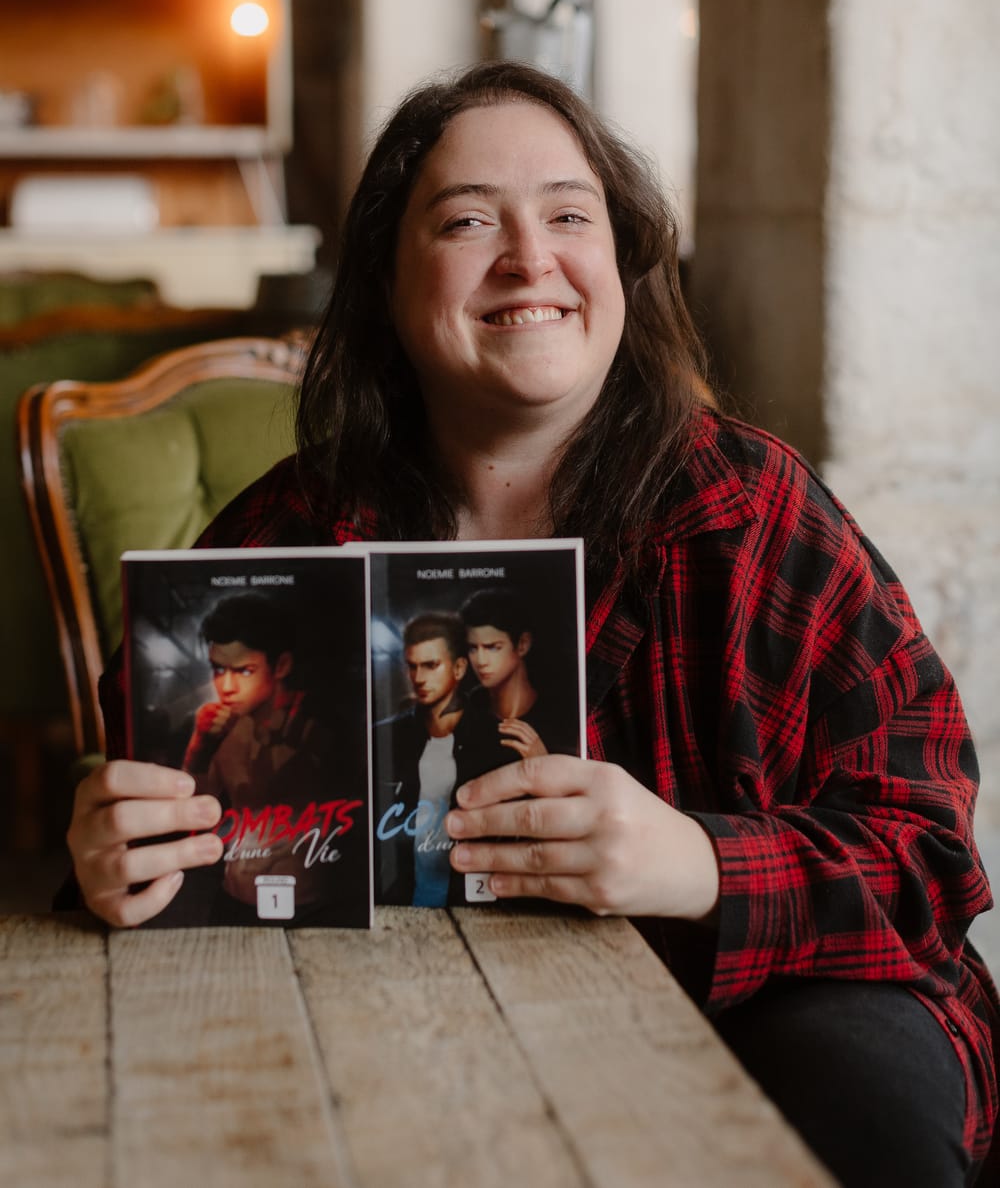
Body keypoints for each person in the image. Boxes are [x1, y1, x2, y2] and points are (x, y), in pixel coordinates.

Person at [67, 59, 998, 1185]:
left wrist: (694, 860)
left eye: (569, 214)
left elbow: (928, 854)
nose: (529, 259)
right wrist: (116, 849)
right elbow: (137, 817)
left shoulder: (749, 512)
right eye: (468, 221)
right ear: (385, 279)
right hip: (384, 1004)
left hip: (768, 998)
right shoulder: (287, 531)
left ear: (619, 264)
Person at [375, 610, 471, 905]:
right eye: (412, 666)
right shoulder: (385, 737)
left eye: (430, 666)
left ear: (458, 668)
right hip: (399, 902)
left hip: (470, 901)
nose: (418, 678)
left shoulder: (488, 736)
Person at [459, 585, 577, 774]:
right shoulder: (465, 714)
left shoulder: (560, 717)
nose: (480, 661)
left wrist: (544, 767)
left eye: (493, 647)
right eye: (473, 648)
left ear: (522, 644)